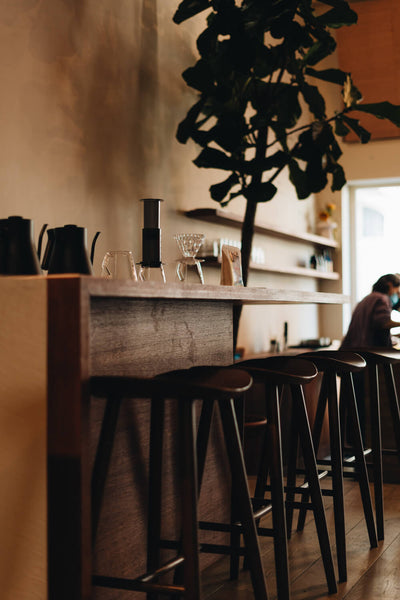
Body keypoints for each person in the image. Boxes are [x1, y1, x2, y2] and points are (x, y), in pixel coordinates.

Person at [340, 273, 400, 442]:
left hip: (347, 356)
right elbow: (383, 323)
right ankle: (363, 448)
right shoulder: (382, 298)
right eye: (398, 290)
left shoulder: (366, 299)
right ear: (389, 285)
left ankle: (353, 446)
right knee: (362, 409)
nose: (398, 295)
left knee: (354, 409)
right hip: (362, 358)